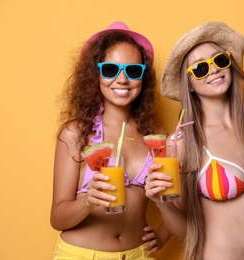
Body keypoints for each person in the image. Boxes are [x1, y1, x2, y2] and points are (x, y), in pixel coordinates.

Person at [145, 21, 244, 260]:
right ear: (187, 85)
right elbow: (186, 232)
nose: (213, 70)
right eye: (200, 68)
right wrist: (161, 203)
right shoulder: (181, 142)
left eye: (219, 60)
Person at [51, 21, 171, 259]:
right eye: (110, 70)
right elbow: (57, 217)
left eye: (133, 70)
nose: (122, 79)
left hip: (138, 254)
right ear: (95, 74)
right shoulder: (76, 134)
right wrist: (88, 201)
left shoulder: (155, 133)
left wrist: (164, 234)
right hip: (82, 254)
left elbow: (177, 198)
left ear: (142, 77)